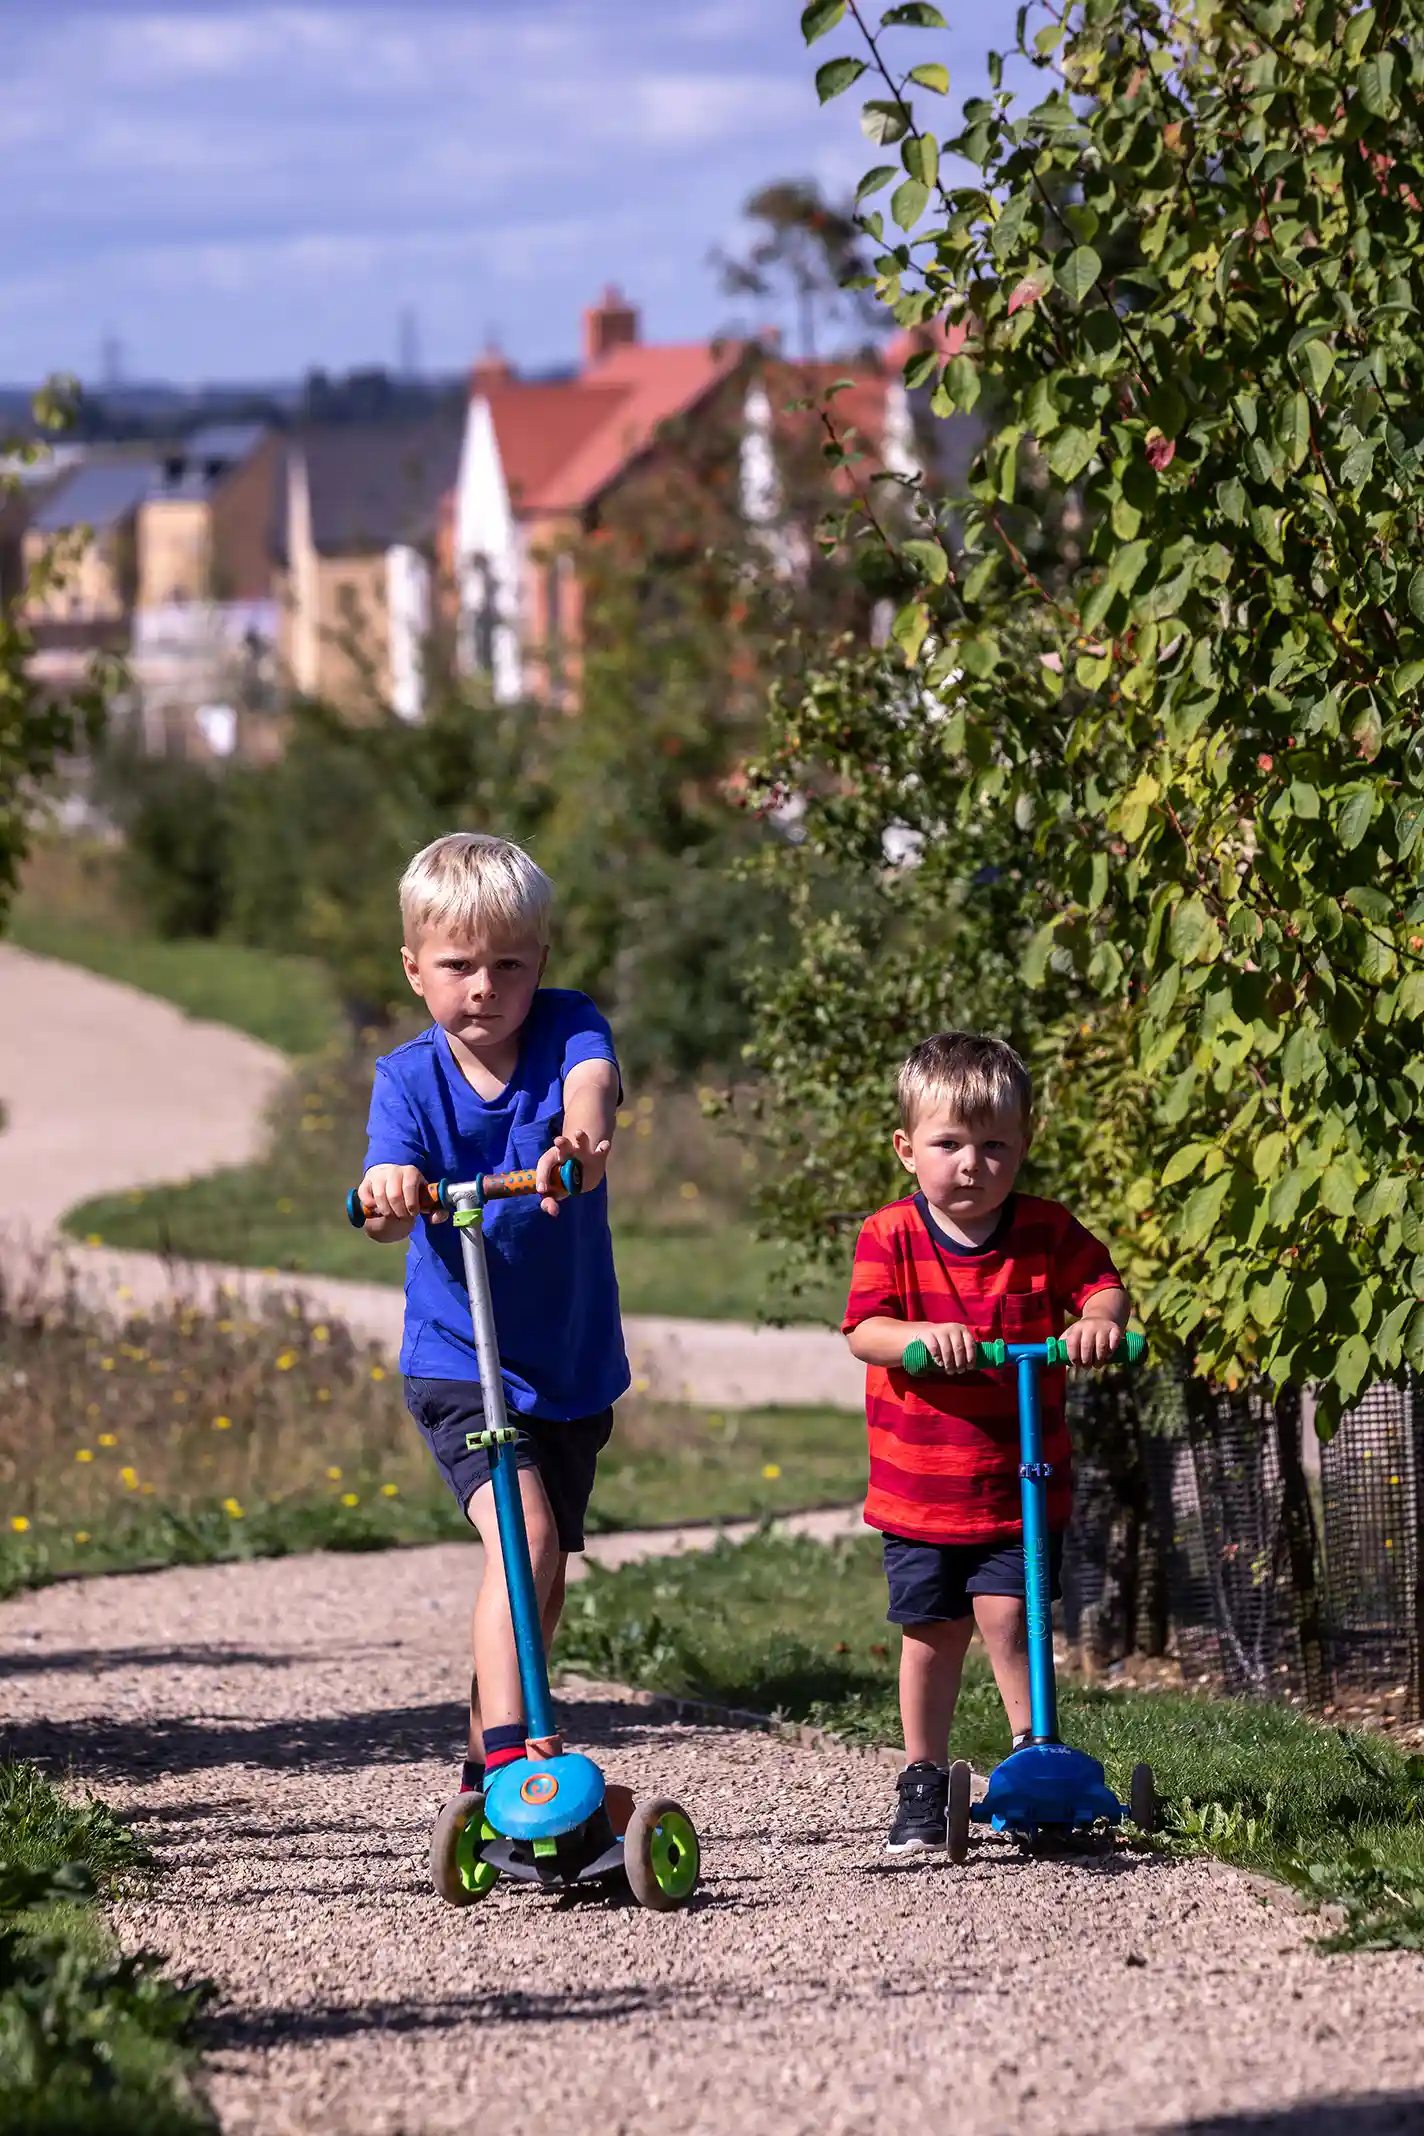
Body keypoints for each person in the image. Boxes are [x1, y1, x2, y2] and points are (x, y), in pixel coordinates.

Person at [356, 831, 628, 1796]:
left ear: (540, 963)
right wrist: (391, 1189)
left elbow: (592, 1089)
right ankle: (521, 1759)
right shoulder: (407, 1079)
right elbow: (383, 1209)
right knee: (525, 1537)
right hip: (459, 1360)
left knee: (542, 1576)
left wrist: (577, 1144)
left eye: (509, 965)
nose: (485, 986)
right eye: (459, 966)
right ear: (414, 969)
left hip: (569, 1362)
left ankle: (486, 1768)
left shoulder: (567, 1027)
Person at [841, 1030, 1130, 1853]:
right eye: (949, 1145)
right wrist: (920, 1336)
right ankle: (924, 1778)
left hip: (1020, 1486)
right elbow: (864, 1331)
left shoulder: (1045, 1231)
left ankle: (1034, 1768)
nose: (972, 1164)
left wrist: (1098, 1321)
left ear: (1023, 1144)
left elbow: (1103, 1286)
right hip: (921, 1490)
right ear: (907, 1149)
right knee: (933, 1633)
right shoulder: (890, 1235)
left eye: (994, 1145)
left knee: (1013, 1620)